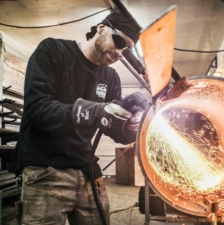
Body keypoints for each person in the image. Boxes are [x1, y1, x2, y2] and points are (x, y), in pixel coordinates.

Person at [8, 9, 144, 225]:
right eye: (119, 41)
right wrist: (95, 111)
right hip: (45, 168)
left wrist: (132, 125)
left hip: (86, 171)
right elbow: (37, 109)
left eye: (126, 50)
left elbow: (113, 128)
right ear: (101, 29)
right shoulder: (53, 51)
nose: (120, 52)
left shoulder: (111, 77)